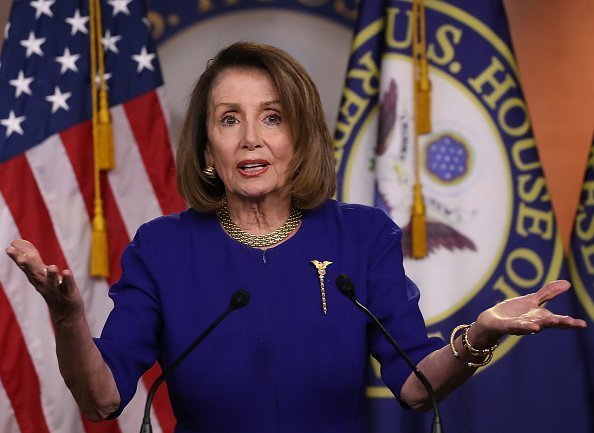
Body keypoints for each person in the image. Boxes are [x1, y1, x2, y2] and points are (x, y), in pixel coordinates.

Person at [5, 42, 586, 433]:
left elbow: (413, 386)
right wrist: (67, 318)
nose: (252, 138)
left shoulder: (362, 235)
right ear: (208, 154)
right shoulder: (161, 249)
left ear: (300, 139)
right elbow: (103, 399)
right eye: (230, 119)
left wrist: (477, 336)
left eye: (273, 117)